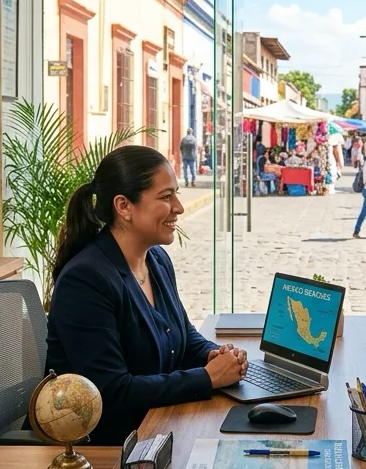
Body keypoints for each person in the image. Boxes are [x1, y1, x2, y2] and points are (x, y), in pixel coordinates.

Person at [46, 145, 248, 446]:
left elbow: (183, 335)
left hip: (158, 427)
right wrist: (208, 378)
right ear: (124, 206)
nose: (179, 206)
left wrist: (212, 354)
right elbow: (112, 393)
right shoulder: (85, 280)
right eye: (166, 197)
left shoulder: (156, 260)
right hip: (109, 451)